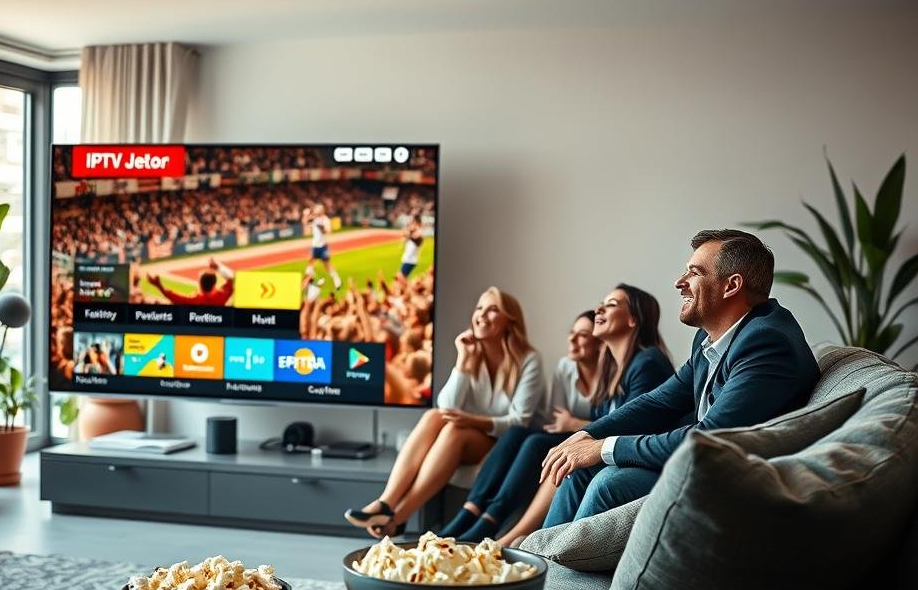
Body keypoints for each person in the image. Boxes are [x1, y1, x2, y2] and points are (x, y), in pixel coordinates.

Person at [539, 229, 820, 528]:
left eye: (694, 273)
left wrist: (604, 447)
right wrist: (587, 435)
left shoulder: (766, 342)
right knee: (580, 467)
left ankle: (553, 569)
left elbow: (709, 438)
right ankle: (537, 561)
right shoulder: (711, 337)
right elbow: (659, 400)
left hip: (735, 481)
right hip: (699, 462)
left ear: (731, 286)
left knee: (609, 482)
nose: (679, 282)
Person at [442, 287, 673, 544]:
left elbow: (634, 427)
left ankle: (521, 538)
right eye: (601, 304)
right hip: (611, 446)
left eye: (611, 305)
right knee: (525, 437)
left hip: (638, 455)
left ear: (633, 320)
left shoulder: (647, 363)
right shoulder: (613, 370)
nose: (599, 309)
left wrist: (578, 431)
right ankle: (489, 521)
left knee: (554, 452)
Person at [344, 287, 547, 537]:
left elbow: (520, 421)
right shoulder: (472, 353)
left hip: (507, 443)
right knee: (434, 417)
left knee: (455, 430)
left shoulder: (528, 360)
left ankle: (397, 517)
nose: (482, 315)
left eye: (493, 309)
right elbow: (446, 406)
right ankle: (386, 502)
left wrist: (470, 420)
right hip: (471, 434)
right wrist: (463, 361)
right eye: (480, 308)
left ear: (510, 321)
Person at [146, 257, 234, 306]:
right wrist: (218, 268)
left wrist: (158, 285)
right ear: (214, 284)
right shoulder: (221, 296)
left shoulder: (194, 300)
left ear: (200, 284)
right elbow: (233, 279)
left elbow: (171, 296)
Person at [303, 204, 342, 291]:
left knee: (327, 265)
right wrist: (305, 215)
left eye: (318, 210)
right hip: (314, 245)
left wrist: (322, 228)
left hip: (323, 246)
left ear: (322, 211)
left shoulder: (325, 220)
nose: (316, 211)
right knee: (310, 263)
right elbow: (305, 223)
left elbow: (329, 231)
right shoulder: (314, 218)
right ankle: (307, 282)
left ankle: (337, 280)